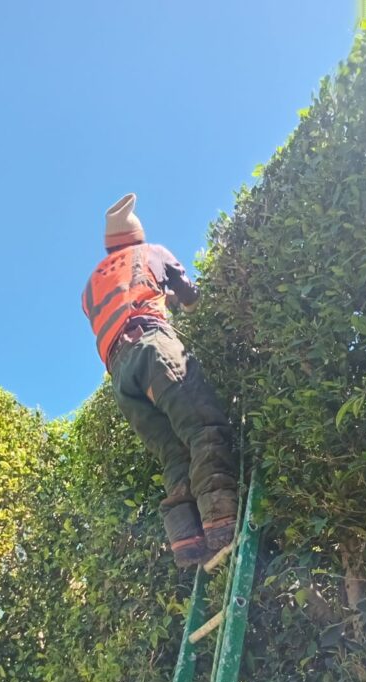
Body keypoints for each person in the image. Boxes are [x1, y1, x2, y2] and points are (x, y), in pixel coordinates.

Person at [82, 193, 238, 567]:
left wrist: (155, 298)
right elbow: (191, 297)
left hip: (121, 375)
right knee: (203, 426)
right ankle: (220, 520)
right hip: (152, 347)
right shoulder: (151, 253)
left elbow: (121, 303)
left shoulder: (91, 286)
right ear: (138, 236)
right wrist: (177, 302)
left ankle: (187, 540)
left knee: (173, 453)